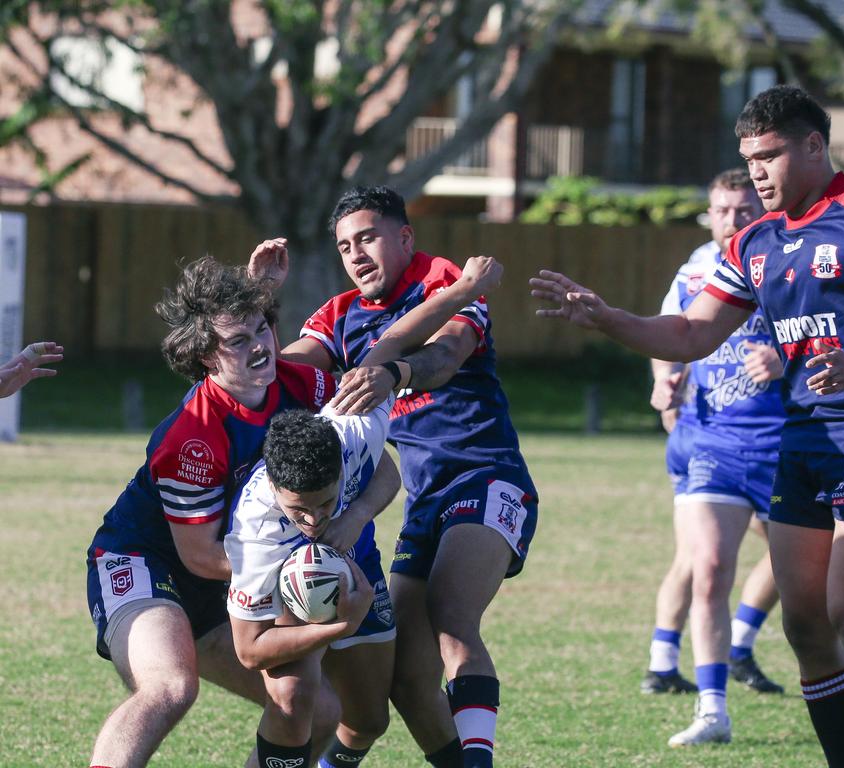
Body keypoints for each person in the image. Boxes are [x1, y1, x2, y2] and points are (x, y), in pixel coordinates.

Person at [531, 85, 844, 768]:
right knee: (803, 626)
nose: (757, 172)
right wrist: (607, 317)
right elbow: (690, 332)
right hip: (804, 439)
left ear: (814, 147)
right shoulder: (755, 241)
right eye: (749, 159)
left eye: (769, 156)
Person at [252, 186, 537, 768]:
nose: (356, 255)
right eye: (344, 246)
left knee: (452, 618)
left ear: (404, 237)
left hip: (487, 478)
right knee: (404, 680)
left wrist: (397, 373)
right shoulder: (337, 314)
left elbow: (446, 355)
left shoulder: (443, 281)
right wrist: (257, 299)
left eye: (367, 238)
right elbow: (277, 372)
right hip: (424, 500)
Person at [85, 257, 348, 768]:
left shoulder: (305, 386)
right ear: (206, 356)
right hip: (143, 563)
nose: (259, 346)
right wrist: (297, 569)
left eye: (262, 329)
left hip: (221, 585)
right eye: (238, 340)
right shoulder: (192, 437)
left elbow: (377, 464)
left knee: (316, 712)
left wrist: (350, 524)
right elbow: (202, 555)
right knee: (170, 686)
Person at [640, 168, 785, 747]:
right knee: (707, 569)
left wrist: (783, 358)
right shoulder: (697, 267)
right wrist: (664, 381)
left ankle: (745, 643)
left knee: (811, 578)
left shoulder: (788, 257)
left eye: (743, 209)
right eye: (721, 210)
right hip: (712, 440)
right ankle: (711, 707)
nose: (732, 220)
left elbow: (835, 333)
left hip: (786, 440)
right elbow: (670, 332)